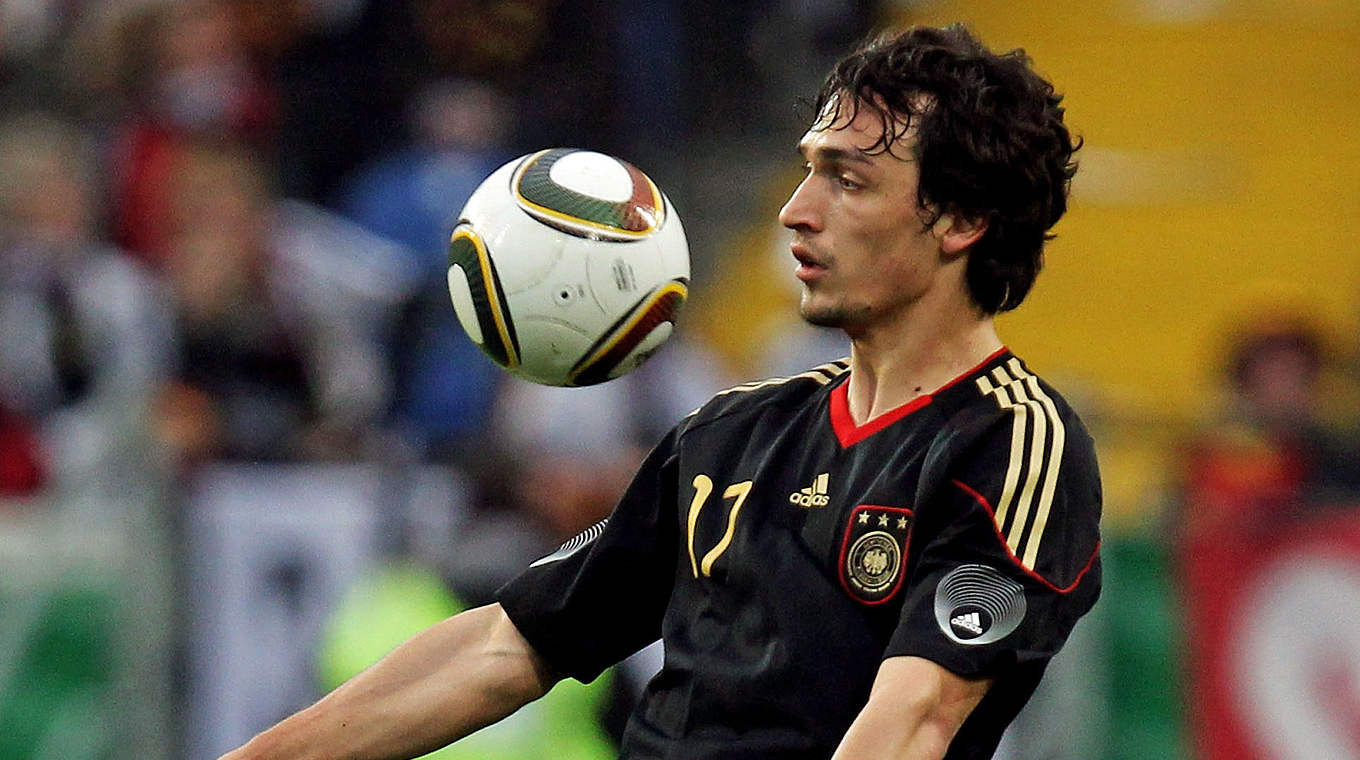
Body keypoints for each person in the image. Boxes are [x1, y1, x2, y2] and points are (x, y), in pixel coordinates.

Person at [220, 23, 1101, 760]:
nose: (796, 209)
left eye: (848, 179)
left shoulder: (1012, 446)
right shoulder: (731, 433)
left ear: (960, 219)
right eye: (807, 169)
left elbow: (917, 718)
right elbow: (506, 645)